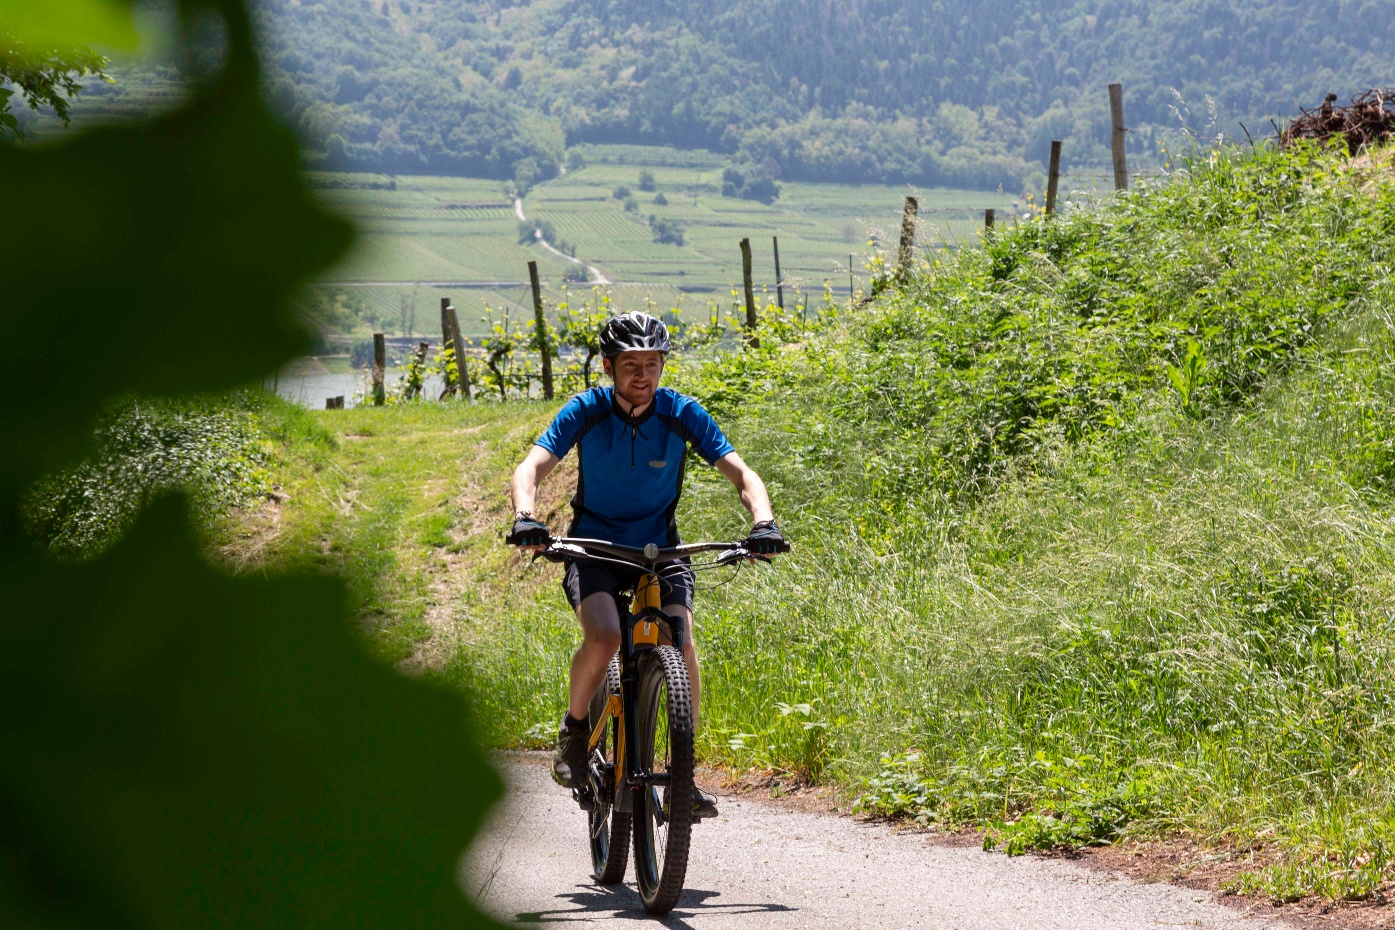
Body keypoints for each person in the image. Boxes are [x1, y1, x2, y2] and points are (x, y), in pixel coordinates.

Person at [506, 310, 789, 820]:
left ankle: (683, 777)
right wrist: (526, 516)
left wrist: (764, 523)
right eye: (631, 364)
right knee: (605, 637)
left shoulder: (680, 412)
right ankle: (575, 732)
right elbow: (531, 468)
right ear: (609, 367)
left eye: (652, 363)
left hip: (660, 551)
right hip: (593, 550)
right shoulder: (586, 410)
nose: (643, 374)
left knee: (682, 641)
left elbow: (742, 474)